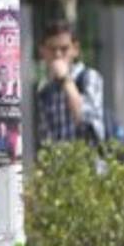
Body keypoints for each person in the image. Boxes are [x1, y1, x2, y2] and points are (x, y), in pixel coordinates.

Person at [36, 19, 105, 149]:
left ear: (75, 49)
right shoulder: (45, 89)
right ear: (43, 51)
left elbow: (84, 118)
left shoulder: (89, 77)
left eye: (64, 49)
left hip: (87, 165)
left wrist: (65, 80)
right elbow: (46, 139)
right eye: (52, 49)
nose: (58, 55)